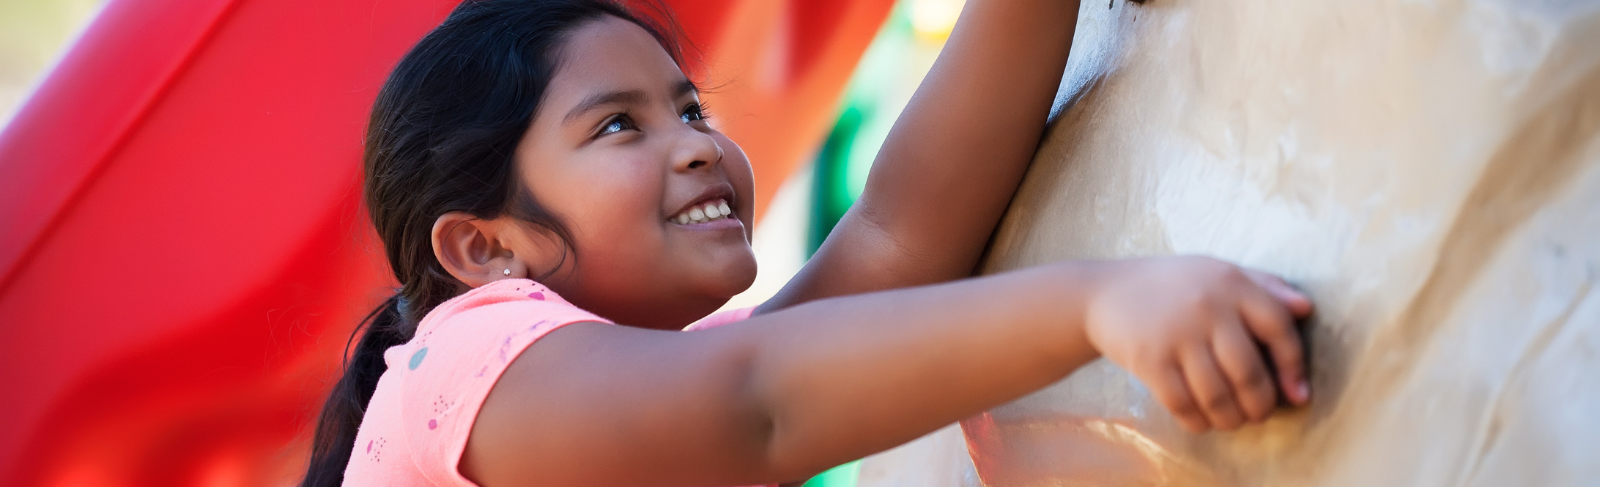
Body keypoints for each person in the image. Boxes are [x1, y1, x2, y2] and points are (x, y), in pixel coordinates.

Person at [301, 0, 1314, 485]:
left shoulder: (655, 389)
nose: (697, 147)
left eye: (690, 109)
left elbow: (893, 240)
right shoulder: (468, 362)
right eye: (619, 125)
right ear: (485, 248)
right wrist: (1098, 302)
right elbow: (760, 404)